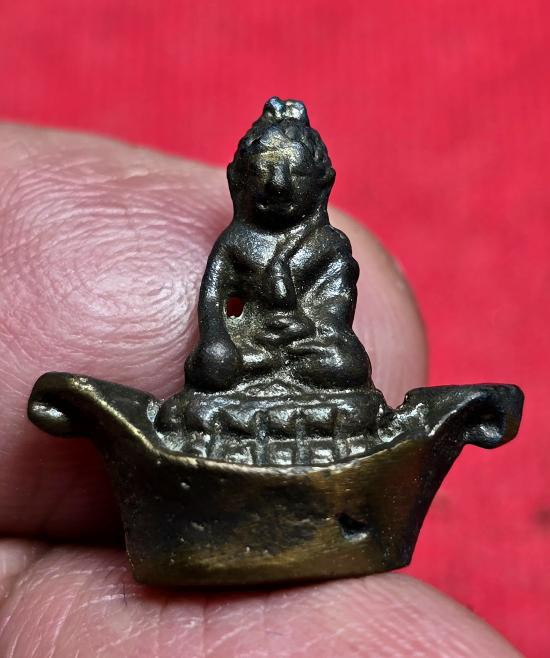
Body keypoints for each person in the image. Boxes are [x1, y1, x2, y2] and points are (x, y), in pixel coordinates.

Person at [0, 124, 519, 656]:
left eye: (291, 171)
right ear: (238, 181)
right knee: (211, 368)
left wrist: (308, 329)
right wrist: (225, 343)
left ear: (321, 183)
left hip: (308, 354)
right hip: (247, 359)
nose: (277, 183)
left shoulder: (328, 245)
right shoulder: (236, 243)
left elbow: (335, 311)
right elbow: (214, 306)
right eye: (264, 171)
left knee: (344, 366)